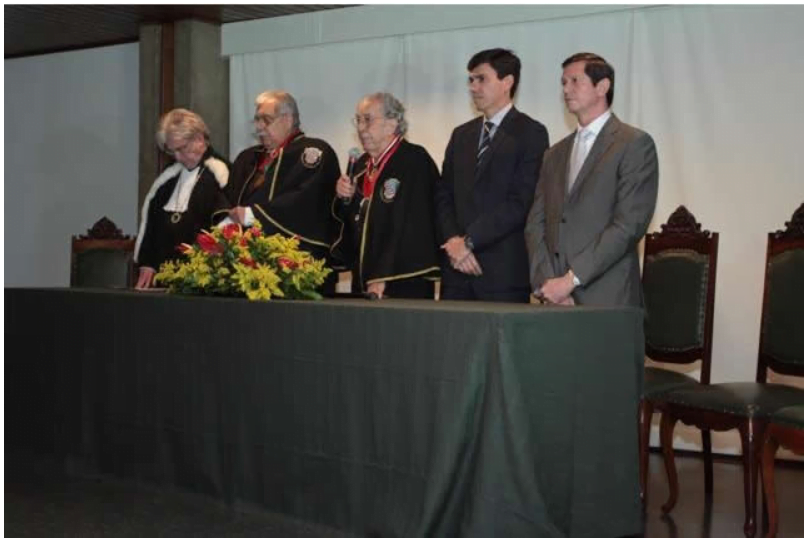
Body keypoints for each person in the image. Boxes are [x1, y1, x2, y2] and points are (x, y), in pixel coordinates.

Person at [525, 52, 659, 307]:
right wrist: (547, 284)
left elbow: (628, 225)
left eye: (575, 81)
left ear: (602, 87)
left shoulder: (634, 144)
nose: (566, 89)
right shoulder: (554, 154)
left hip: (607, 298)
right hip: (553, 299)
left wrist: (570, 281)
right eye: (563, 83)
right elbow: (535, 223)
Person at [436, 48, 549, 302]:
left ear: (507, 82)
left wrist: (469, 242)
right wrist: (454, 241)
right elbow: (443, 194)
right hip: (455, 271)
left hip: (502, 274)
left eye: (481, 79)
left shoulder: (531, 133)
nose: (473, 87)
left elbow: (521, 201)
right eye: (470, 80)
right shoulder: (461, 134)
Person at [224, 91, 342, 294]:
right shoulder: (248, 158)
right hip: (246, 268)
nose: (259, 127)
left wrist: (253, 215)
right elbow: (228, 200)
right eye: (257, 120)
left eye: (266, 120)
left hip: (298, 268)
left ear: (287, 119)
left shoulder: (314, 152)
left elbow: (305, 202)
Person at [332, 92, 440, 299]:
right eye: (358, 120)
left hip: (402, 279)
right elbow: (354, 222)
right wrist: (344, 197)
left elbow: (411, 224)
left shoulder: (414, 160)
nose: (360, 127)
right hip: (365, 275)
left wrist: (384, 274)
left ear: (391, 124)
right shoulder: (361, 165)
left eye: (367, 119)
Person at [134, 108, 231, 289]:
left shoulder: (221, 174)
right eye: (172, 151)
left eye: (182, 149)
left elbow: (225, 229)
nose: (178, 157)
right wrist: (147, 262)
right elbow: (151, 223)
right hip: (162, 278)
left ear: (199, 139)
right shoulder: (168, 178)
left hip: (202, 280)